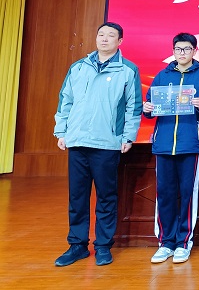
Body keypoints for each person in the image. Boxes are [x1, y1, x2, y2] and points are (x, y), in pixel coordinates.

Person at [53, 22, 143, 267]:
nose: (104, 39)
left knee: (106, 197)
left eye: (110, 35)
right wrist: (61, 131)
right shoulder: (78, 67)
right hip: (78, 141)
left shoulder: (128, 70)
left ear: (120, 41)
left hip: (107, 143)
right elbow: (65, 100)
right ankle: (77, 245)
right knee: (77, 197)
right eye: (101, 34)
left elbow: (134, 106)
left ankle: (103, 246)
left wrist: (127, 136)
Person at [142, 33, 199, 264]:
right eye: (178, 49)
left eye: (186, 49)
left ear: (195, 51)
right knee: (164, 194)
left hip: (190, 143)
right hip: (164, 143)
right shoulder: (162, 75)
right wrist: (147, 108)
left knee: (188, 194)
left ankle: (183, 243)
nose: (182, 53)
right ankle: (165, 243)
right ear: (173, 51)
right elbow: (149, 106)